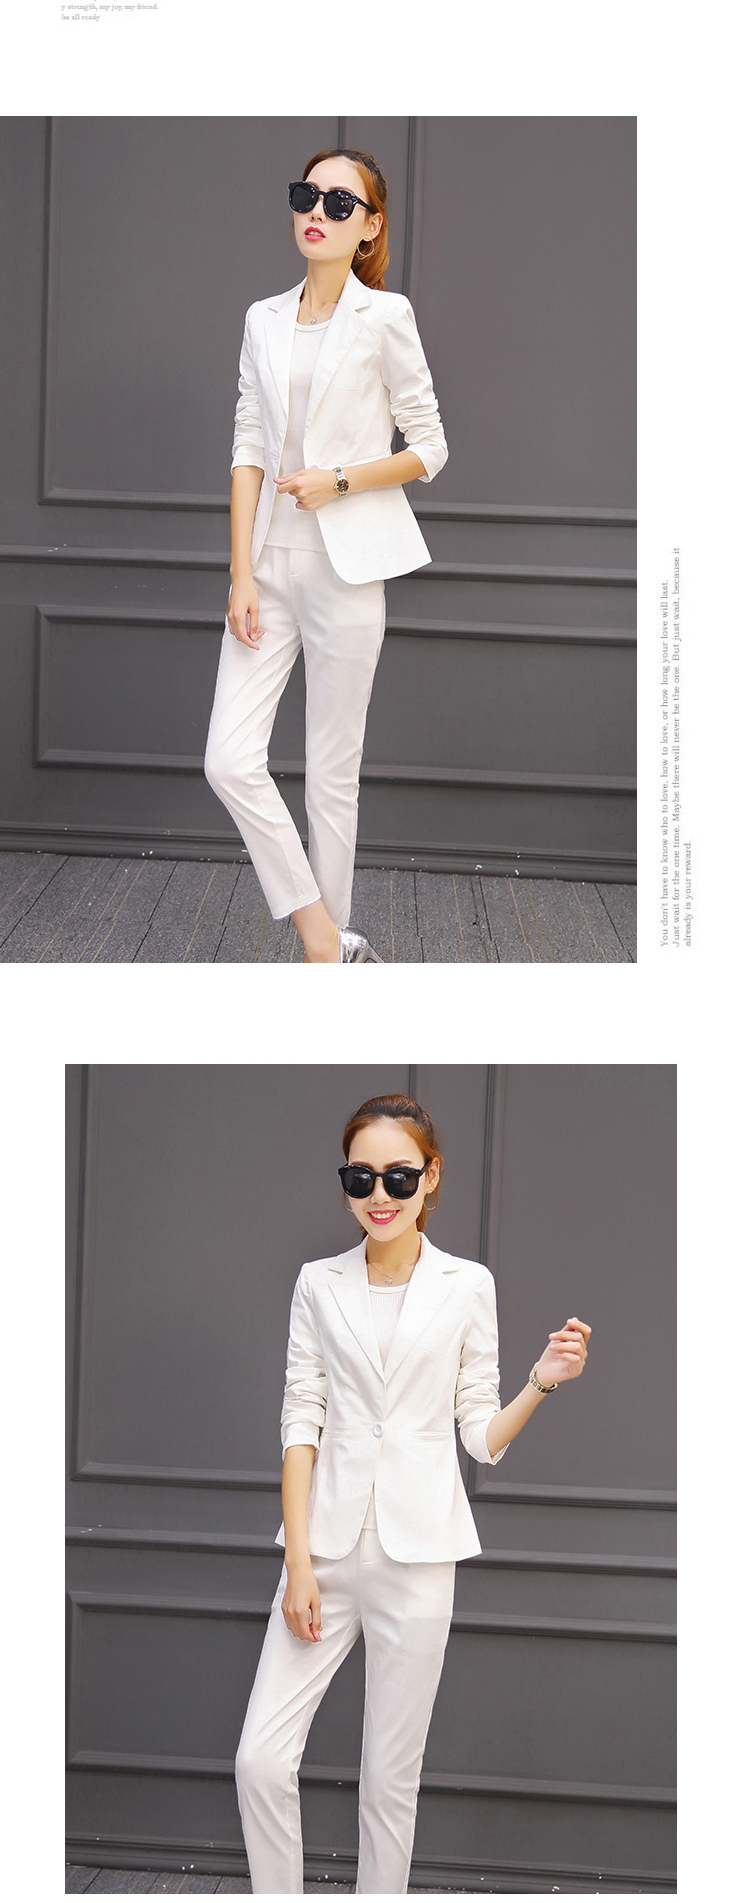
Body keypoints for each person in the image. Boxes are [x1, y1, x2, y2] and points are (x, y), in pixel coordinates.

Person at [235, 1092, 591, 1893]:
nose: (380, 1194)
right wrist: (298, 1563)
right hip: (324, 1552)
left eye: (399, 1175)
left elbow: (480, 1437)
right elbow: (301, 1422)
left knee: (390, 1783)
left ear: (432, 1176)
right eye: (360, 1177)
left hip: (420, 1555)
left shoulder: (467, 1285)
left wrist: (541, 1381)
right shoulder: (318, 1283)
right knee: (260, 1759)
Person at [204, 152, 447, 962]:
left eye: (341, 203)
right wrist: (241, 571)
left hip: (347, 567)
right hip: (267, 565)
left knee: (331, 777)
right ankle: (326, 937)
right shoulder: (262, 318)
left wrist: (338, 479)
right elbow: (247, 446)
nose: (318, 211)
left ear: (370, 226)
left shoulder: (385, 316)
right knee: (229, 759)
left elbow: (430, 447)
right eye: (307, 195)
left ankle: (325, 967)